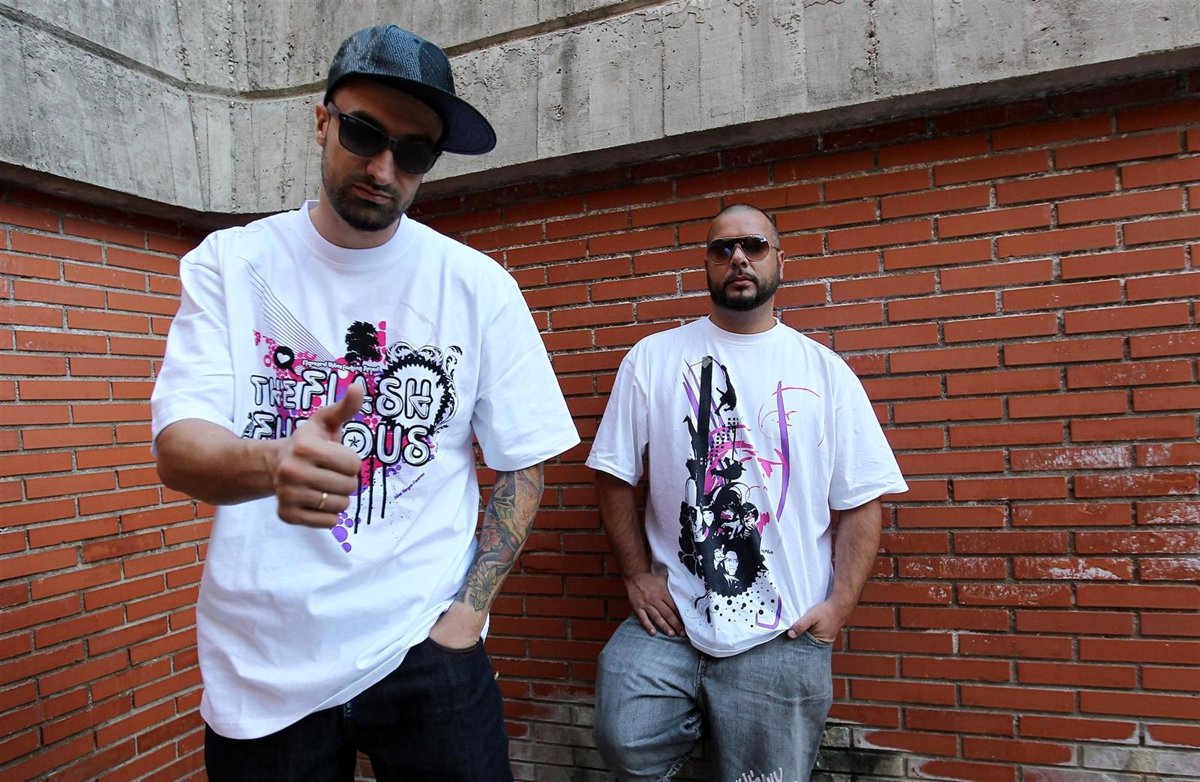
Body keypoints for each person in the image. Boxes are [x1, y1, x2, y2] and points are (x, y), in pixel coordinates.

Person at [151, 25, 579, 781]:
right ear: (322, 121)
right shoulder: (232, 264)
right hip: (265, 665)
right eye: (363, 133)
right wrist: (273, 462)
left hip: (425, 651)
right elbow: (179, 448)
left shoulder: (477, 287)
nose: (384, 168)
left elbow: (523, 463)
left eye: (413, 153)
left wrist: (468, 614)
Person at [586, 204, 907, 781]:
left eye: (754, 246)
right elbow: (612, 475)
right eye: (722, 249)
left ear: (780, 260)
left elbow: (862, 501)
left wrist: (839, 607)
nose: (738, 258)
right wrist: (636, 575)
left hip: (785, 631)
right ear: (707, 266)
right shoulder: (653, 358)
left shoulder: (824, 371)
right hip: (674, 618)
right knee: (623, 733)